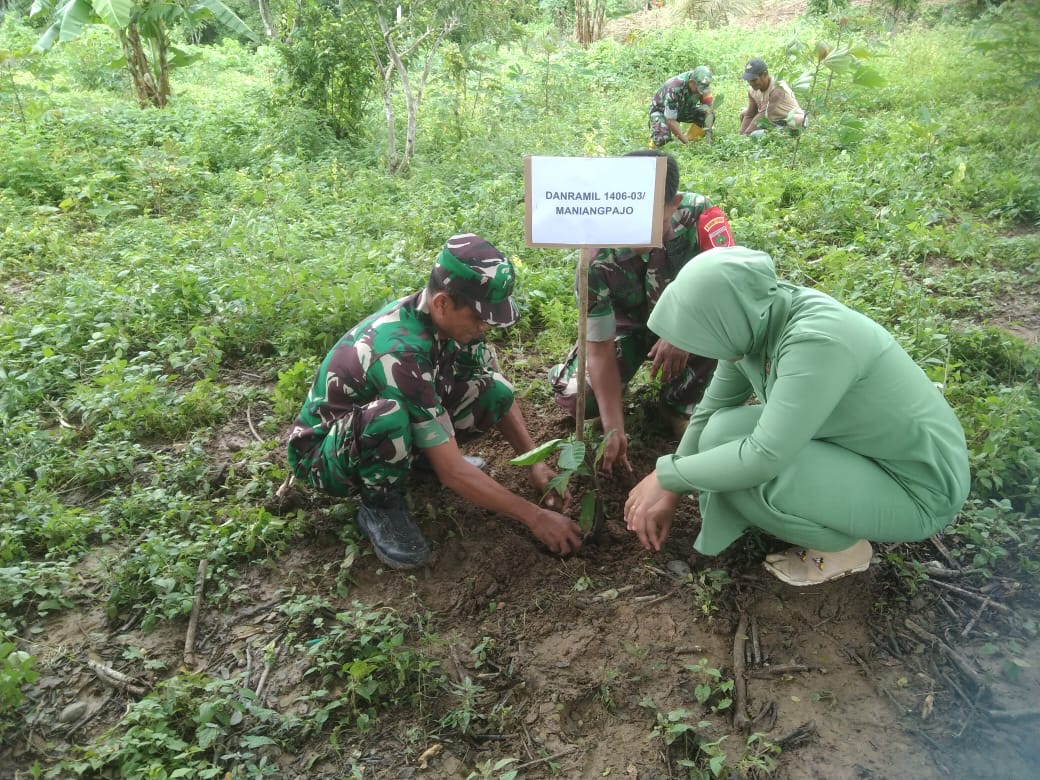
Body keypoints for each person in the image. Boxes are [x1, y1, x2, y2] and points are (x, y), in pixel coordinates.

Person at [624, 246, 971, 586]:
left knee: (743, 479)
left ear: (728, 318)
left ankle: (842, 551)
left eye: (704, 332)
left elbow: (762, 458)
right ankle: (822, 512)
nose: (701, 347)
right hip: (868, 453)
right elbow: (710, 412)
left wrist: (667, 474)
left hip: (918, 488)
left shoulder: (816, 342)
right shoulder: (756, 321)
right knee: (720, 433)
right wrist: (672, 486)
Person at [288, 234, 583, 570]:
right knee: (388, 417)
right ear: (442, 303)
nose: (485, 325)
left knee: (494, 390)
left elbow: (489, 388)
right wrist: (534, 517)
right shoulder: (400, 351)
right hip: (326, 454)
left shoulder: (456, 323)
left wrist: (534, 462)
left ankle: (415, 461)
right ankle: (380, 504)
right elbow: (453, 473)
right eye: (479, 317)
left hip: (387, 423)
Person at [549, 150, 734, 476]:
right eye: (627, 225)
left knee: (727, 329)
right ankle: (584, 378)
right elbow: (601, 345)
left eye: (651, 224)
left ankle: (680, 402)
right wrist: (613, 428)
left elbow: (731, 292)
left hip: (693, 321)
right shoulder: (594, 254)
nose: (637, 240)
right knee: (582, 398)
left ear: (673, 204)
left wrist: (682, 332)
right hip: (628, 327)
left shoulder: (701, 217)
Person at [649, 66, 716, 147]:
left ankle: (692, 141)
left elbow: (708, 111)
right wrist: (684, 140)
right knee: (662, 139)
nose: (701, 92)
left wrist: (708, 137)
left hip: (684, 109)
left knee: (704, 116)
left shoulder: (703, 85)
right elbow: (670, 120)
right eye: (698, 89)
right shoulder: (674, 87)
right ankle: (654, 149)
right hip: (661, 112)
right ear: (691, 82)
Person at [737, 58, 807, 136]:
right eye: (748, 80)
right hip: (772, 121)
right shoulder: (752, 90)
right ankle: (770, 135)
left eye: (754, 80)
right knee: (744, 113)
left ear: (765, 74)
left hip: (786, 120)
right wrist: (741, 135)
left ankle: (785, 138)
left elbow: (763, 114)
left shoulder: (777, 87)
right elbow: (750, 114)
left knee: (796, 120)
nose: (751, 83)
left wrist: (748, 134)